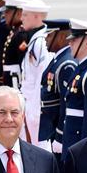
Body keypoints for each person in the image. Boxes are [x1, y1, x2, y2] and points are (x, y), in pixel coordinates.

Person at [61, 19, 87, 153]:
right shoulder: (81, 68)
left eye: (74, 40)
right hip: (71, 140)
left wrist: (84, 151)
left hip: (79, 144)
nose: (70, 43)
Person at [17, 0, 51, 146]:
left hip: (35, 104)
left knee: (39, 146)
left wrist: (36, 108)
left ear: (37, 17)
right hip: (29, 101)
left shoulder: (41, 42)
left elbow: (42, 77)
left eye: (25, 15)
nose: (21, 18)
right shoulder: (35, 39)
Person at [37, 18, 72, 153]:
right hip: (49, 125)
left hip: (56, 126)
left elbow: (65, 103)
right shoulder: (58, 59)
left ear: (62, 37)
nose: (45, 39)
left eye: (49, 35)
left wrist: (60, 135)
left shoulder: (66, 64)